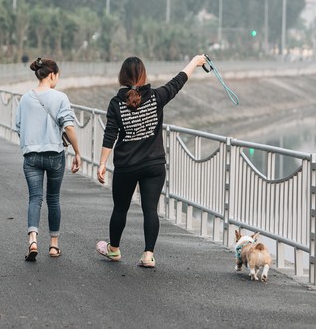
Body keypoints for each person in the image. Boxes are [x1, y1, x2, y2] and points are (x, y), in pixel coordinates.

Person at [96, 55, 207, 267]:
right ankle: (148, 255)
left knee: (120, 209)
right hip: (153, 165)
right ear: (143, 75)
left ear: (122, 76)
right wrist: (195, 62)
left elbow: (110, 135)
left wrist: (102, 163)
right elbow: (178, 81)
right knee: (150, 209)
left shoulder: (116, 103)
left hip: (126, 166)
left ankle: (114, 250)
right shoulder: (156, 97)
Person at [15, 57, 82, 261]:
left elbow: (18, 127)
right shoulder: (60, 97)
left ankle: (33, 240)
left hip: (31, 156)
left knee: (35, 198)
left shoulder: (25, 98)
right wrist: (78, 152)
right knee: (53, 199)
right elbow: (68, 126)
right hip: (55, 155)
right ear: (52, 75)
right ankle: (54, 245)